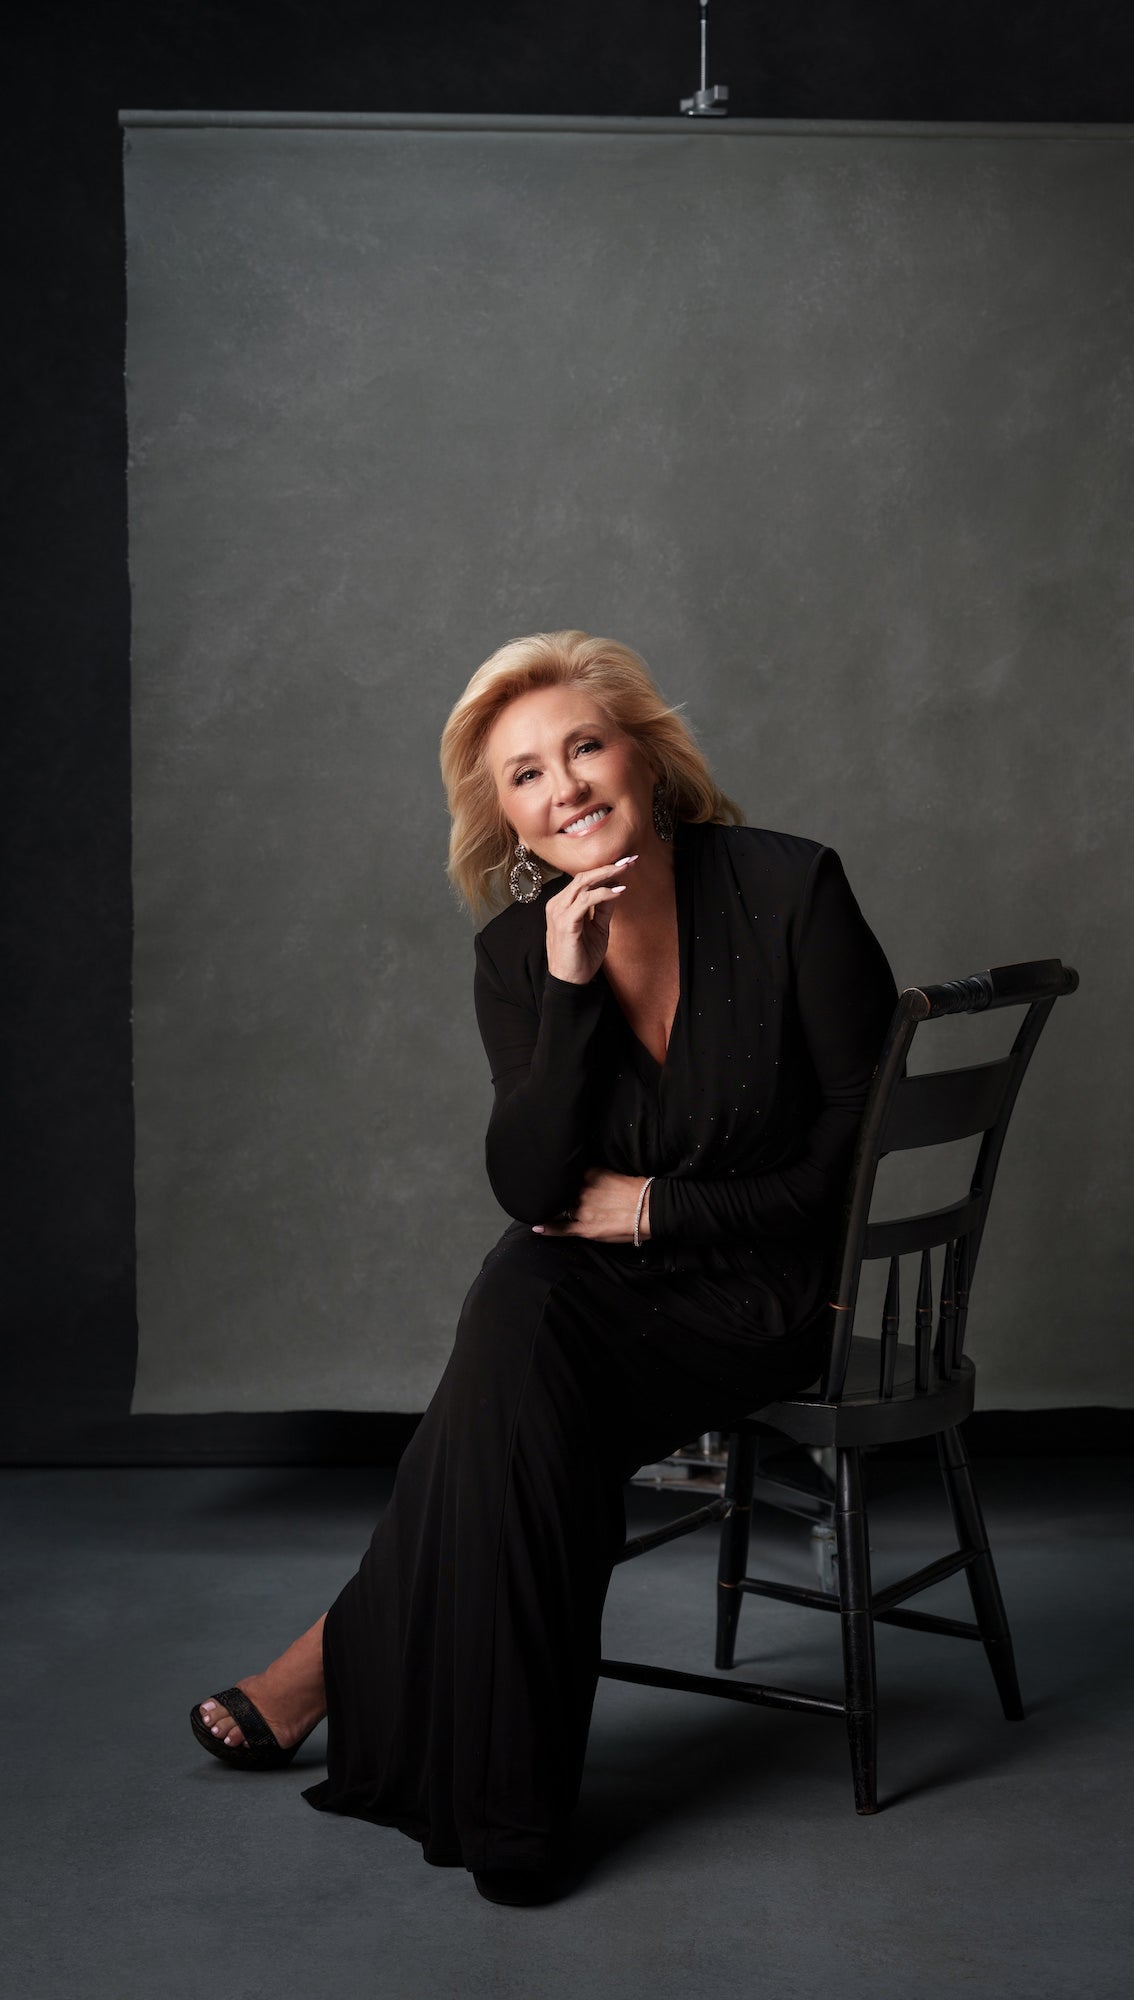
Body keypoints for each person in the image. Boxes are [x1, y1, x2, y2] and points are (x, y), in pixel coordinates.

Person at [189, 629, 897, 1904]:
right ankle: (508, 1806)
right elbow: (531, 1189)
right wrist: (570, 990)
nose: (562, 787)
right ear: (503, 814)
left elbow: (849, 1162)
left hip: (773, 1293)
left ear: (644, 756)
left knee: (515, 1382)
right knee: (519, 1310)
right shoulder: (519, 955)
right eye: (524, 775)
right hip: (600, 1298)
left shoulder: (792, 888)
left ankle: (343, 1678)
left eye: (582, 746)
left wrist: (659, 1213)